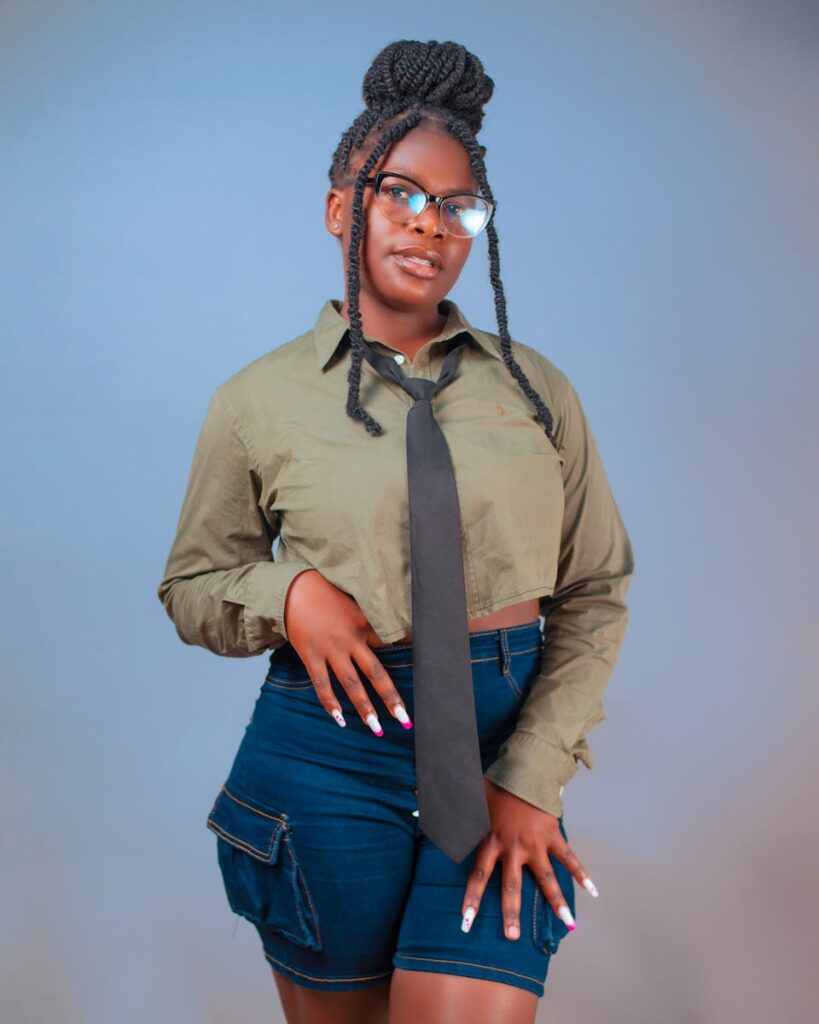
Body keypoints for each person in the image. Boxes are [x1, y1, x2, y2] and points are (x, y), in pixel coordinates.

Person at [157, 38, 635, 1024]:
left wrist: (534, 774)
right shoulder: (256, 400)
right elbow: (195, 583)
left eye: (459, 206)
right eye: (398, 194)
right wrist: (284, 591)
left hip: (503, 740)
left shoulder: (537, 391)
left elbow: (594, 587)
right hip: (325, 759)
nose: (429, 225)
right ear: (341, 208)